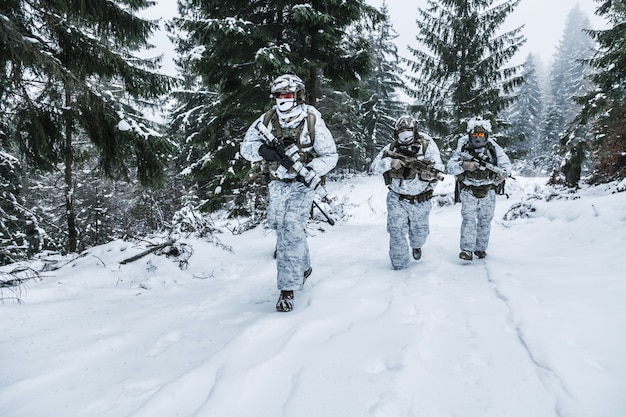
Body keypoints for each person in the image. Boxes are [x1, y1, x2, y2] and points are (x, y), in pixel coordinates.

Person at [240, 74, 338, 312]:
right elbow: (246, 149)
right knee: (279, 226)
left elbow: (330, 156)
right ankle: (303, 267)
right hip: (276, 183)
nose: (284, 100)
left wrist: (309, 169)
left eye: (288, 95)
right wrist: (264, 151)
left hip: (302, 184)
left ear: (298, 96)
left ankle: (288, 289)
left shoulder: (311, 120)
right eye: (279, 95)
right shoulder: (266, 120)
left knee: (291, 227)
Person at [370, 115, 444, 270]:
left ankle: (417, 245)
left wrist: (429, 176)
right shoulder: (391, 148)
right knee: (396, 232)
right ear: (397, 132)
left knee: (419, 234)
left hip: (421, 199)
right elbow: (373, 168)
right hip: (397, 198)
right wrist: (390, 163)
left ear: (415, 130)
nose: (406, 133)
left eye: (409, 130)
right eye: (402, 130)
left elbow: (439, 169)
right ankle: (399, 265)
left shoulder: (427, 145)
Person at [446, 116, 512, 261]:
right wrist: (464, 165)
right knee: (469, 220)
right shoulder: (463, 146)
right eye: (475, 135)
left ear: (486, 135)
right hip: (468, 190)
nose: (478, 137)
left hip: (488, 190)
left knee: (485, 220)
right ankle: (467, 250)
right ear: (470, 134)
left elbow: (506, 166)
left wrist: (501, 176)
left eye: (481, 135)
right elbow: (449, 167)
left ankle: (480, 249)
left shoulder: (493, 147)